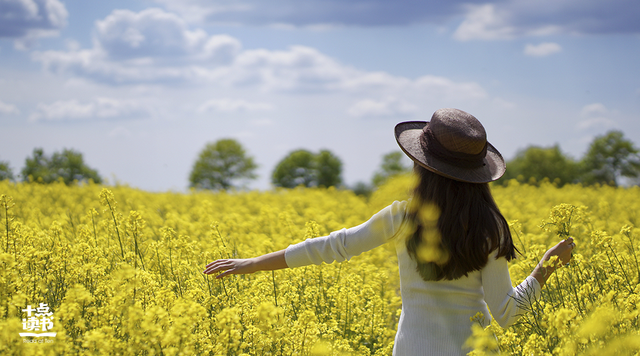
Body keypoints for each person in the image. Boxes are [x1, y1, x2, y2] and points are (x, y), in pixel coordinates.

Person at [203, 108, 576, 355]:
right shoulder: (489, 227)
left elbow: (332, 247)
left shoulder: (402, 217)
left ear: (423, 165)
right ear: (477, 176)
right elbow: (507, 314)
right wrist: (546, 267)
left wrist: (253, 263)